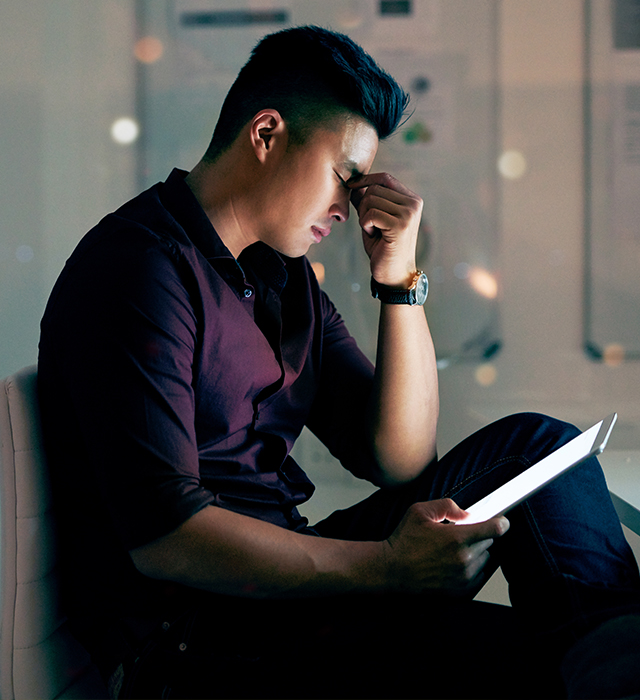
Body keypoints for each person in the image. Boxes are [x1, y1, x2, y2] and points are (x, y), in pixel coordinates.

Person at [37, 25, 640, 699]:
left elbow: (399, 459)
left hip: (287, 598)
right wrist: (387, 567)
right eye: (344, 177)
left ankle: (622, 659)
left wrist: (400, 280)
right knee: (549, 665)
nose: (350, 209)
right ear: (266, 134)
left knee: (540, 448)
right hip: (194, 635)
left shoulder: (281, 278)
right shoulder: (141, 268)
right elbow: (167, 539)